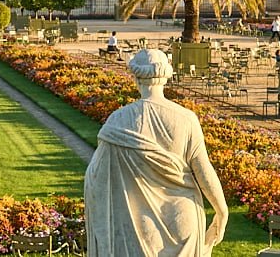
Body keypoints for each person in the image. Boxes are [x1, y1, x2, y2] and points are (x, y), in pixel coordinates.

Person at [85, 49, 228, 257]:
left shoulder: (118, 121)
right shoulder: (186, 119)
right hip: (183, 219)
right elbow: (204, 170)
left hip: (138, 222)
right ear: (166, 78)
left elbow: (96, 176)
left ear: (136, 78)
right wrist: (222, 210)